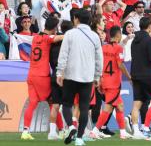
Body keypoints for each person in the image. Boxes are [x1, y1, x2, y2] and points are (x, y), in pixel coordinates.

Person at [56, 9, 103, 146]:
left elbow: (63, 55)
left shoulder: (70, 34)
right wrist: (97, 76)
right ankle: (80, 138)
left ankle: (71, 127)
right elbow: (99, 59)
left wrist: (60, 72)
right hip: (87, 77)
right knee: (83, 107)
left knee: (66, 104)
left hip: (70, 75)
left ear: (76, 19)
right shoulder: (95, 36)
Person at [20, 17, 63, 141]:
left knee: (33, 103)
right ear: (54, 28)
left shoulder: (35, 38)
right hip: (42, 77)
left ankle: (25, 131)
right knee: (53, 103)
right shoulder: (46, 39)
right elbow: (59, 38)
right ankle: (61, 131)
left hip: (31, 75)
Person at [90, 26, 132, 139]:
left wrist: (98, 79)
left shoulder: (103, 48)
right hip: (114, 83)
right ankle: (95, 130)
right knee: (108, 107)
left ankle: (123, 133)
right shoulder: (118, 48)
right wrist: (129, 77)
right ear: (118, 36)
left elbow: (98, 64)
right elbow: (120, 64)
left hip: (104, 81)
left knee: (119, 106)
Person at [129, 16, 151, 139]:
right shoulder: (149, 39)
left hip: (135, 74)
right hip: (147, 74)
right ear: (149, 26)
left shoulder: (134, 40)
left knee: (137, 103)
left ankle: (136, 131)